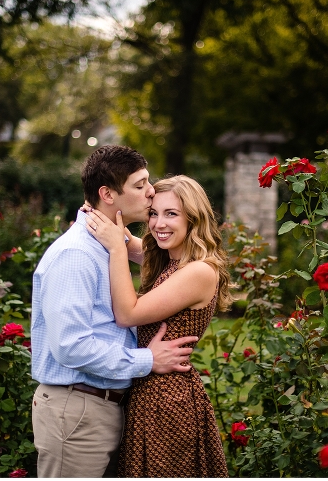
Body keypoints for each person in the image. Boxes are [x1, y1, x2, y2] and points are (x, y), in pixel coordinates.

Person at [30, 145, 199, 478]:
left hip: (103, 407)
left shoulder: (108, 246)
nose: (151, 192)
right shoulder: (76, 255)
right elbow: (70, 347)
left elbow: (178, 262)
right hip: (78, 410)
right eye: (139, 185)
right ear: (107, 194)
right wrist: (148, 360)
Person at [84, 174, 232, 477]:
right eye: (153, 213)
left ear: (193, 218)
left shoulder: (199, 272)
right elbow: (130, 240)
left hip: (168, 402)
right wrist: (104, 207)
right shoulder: (171, 259)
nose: (158, 224)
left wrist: (116, 250)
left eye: (171, 214)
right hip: (150, 393)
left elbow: (127, 313)